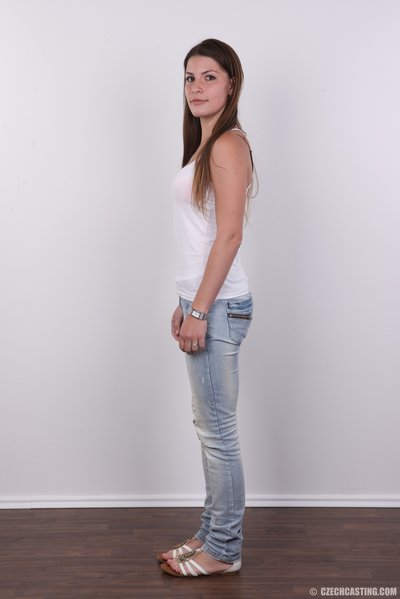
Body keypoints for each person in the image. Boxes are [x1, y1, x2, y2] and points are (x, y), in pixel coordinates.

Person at [158, 38, 255, 578]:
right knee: (209, 427)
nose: (196, 87)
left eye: (209, 77)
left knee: (218, 432)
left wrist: (198, 310)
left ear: (231, 83)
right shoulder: (206, 144)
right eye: (189, 78)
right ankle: (211, 531)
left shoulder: (228, 144)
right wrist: (185, 301)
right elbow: (199, 235)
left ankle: (224, 548)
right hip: (201, 301)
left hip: (217, 306)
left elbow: (230, 236)